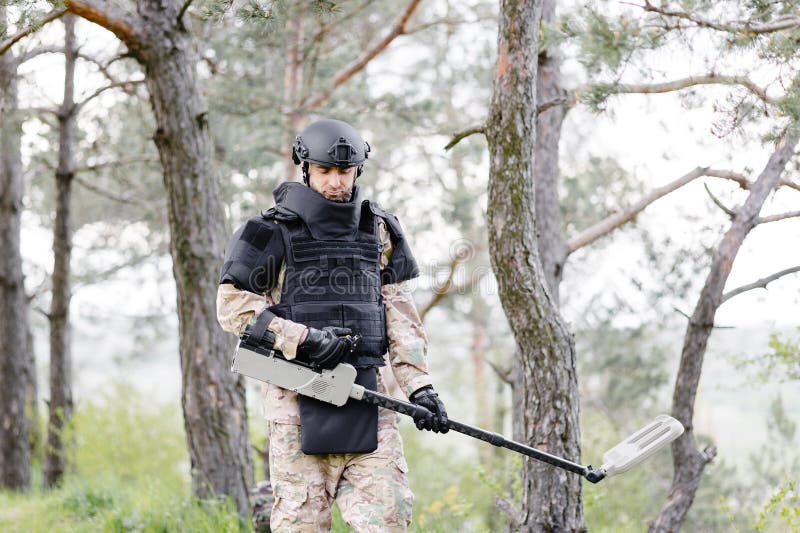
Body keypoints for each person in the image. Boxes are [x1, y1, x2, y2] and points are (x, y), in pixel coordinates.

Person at [216, 118, 448, 532]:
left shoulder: (378, 229)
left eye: (344, 171)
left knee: (391, 522)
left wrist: (420, 387)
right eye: (325, 171)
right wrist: (303, 339)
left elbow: (398, 311)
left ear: (358, 169)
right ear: (306, 169)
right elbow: (231, 304)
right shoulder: (271, 230)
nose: (336, 182)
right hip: (297, 407)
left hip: (371, 406)